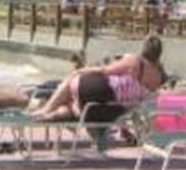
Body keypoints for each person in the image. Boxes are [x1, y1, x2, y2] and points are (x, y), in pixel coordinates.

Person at [30, 34, 166, 122]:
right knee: (73, 106)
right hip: (113, 107)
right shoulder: (158, 75)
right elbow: (146, 98)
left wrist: (83, 70)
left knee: (71, 80)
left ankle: (46, 110)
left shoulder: (133, 61)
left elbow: (105, 71)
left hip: (100, 93)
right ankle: (54, 115)